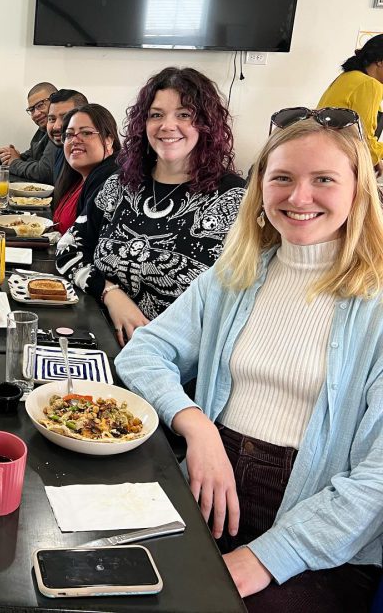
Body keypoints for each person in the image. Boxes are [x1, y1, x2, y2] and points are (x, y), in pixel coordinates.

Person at [115, 111, 383, 610]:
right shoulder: (234, 275)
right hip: (207, 484)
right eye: (281, 178)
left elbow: (376, 481)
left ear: (358, 191)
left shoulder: (377, 306)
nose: (298, 198)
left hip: (322, 541)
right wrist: (196, 425)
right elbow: (146, 351)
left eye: (323, 180)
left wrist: (267, 557)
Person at [56, 67, 245, 346]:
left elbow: (239, 300)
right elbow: (67, 249)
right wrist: (110, 293)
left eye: (184, 114)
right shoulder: (121, 184)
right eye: (156, 115)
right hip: (98, 346)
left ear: (207, 124)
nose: (167, 126)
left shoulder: (232, 197)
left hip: (174, 365)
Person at [317, 33, 383, 170]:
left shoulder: (348, 77)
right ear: (380, 62)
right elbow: (364, 139)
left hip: (325, 155)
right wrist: (376, 157)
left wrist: (375, 158)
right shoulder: (369, 84)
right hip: (339, 160)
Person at [52, 104, 120, 234]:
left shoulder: (109, 182)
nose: (74, 140)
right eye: (69, 135)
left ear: (109, 140)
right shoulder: (76, 178)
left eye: (86, 133)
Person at [0, 82, 58, 184]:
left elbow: (43, 172)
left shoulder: (59, 131)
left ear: (55, 101)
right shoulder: (43, 130)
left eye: (40, 105)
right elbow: (31, 155)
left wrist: (14, 162)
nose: (36, 114)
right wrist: (10, 155)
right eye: (31, 110)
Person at [45, 88, 88, 180]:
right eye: (52, 119)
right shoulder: (60, 149)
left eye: (65, 118)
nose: (56, 126)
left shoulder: (87, 160)